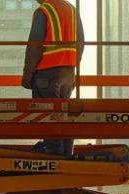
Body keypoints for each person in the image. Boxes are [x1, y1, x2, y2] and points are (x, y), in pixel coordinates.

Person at [21, 0, 85, 156]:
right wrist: (72, 66)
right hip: (68, 73)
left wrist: (27, 75)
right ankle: (67, 155)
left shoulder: (44, 11)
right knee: (63, 117)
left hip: (47, 72)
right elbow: (81, 42)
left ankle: (54, 158)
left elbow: (34, 45)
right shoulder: (71, 9)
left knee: (50, 118)